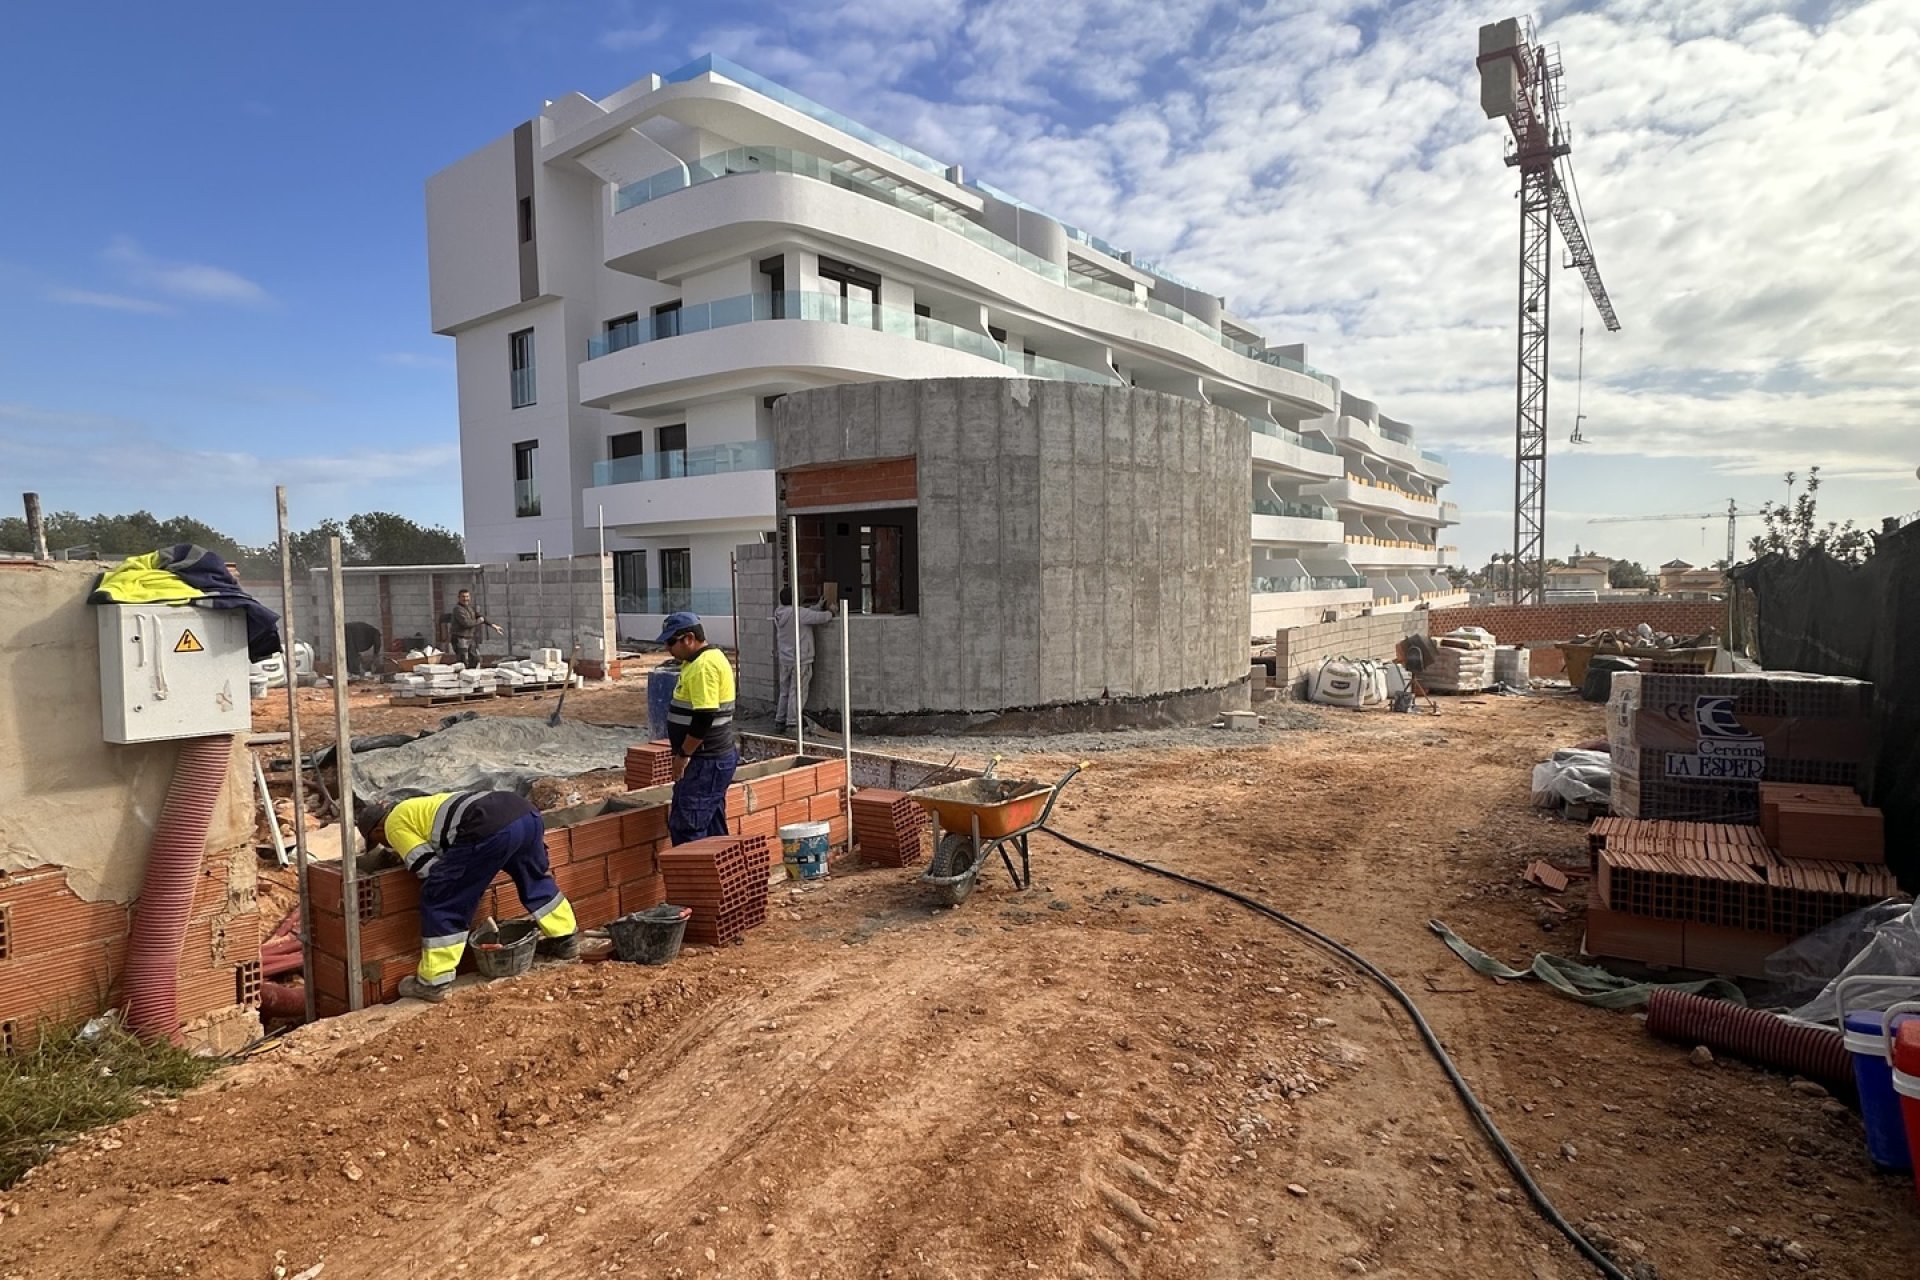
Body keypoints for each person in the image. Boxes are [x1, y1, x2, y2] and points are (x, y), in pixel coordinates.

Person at [356, 789, 578, 1002]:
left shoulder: (393, 824)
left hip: (490, 826)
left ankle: (434, 982)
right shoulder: (415, 807)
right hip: (524, 813)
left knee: (442, 896)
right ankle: (565, 940)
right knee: (534, 878)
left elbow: (428, 869)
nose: (387, 846)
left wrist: (453, 882)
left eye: (379, 842)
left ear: (378, 830)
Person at [657, 611, 738, 844]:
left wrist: (683, 755)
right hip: (709, 760)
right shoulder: (699, 661)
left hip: (705, 761)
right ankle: (718, 867)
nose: (667, 648)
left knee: (687, 827)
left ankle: (694, 868)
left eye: (671, 641)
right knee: (712, 825)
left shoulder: (704, 666)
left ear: (689, 638)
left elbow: (704, 717)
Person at [772, 587, 835, 732]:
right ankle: (792, 723)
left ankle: (780, 720)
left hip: (785, 659)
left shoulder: (780, 613)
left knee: (785, 691)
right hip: (800, 659)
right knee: (798, 691)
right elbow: (821, 618)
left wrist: (818, 606)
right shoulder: (798, 613)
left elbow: (807, 613)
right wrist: (831, 611)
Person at [447, 589, 494, 668]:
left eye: (467, 596)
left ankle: (472, 674)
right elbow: (467, 624)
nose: (465, 599)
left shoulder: (469, 608)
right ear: (459, 598)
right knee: (463, 661)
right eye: (463, 597)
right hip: (460, 638)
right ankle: (463, 674)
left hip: (469, 638)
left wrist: (492, 625)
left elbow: (479, 616)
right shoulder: (458, 609)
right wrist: (479, 621)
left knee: (476, 659)